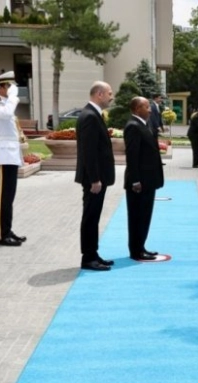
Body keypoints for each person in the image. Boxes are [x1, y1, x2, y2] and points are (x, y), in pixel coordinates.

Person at [75, 81, 116, 271]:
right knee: (90, 216)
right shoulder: (90, 116)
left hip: (97, 177)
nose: (111, 97)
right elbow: (88, 152)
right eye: (109, 93)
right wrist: (94, 179)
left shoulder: (93, 114)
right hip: (94, 179)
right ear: (99, 94)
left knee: (94, 216)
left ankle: (93, 253)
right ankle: (88, 257)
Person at [0, 72, 27, 247]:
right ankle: (1, 235)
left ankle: (7, 230)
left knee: (8, 198)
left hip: (9, 155)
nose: (12, 90)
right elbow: (6, 114)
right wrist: (13, 98)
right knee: (2, 198)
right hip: (2, 156)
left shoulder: (4, 104)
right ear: (0, 88)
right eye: (8, 86)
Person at [124, 97, 164, 261]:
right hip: (139, 182)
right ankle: (136, 251)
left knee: (144, 216)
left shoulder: (143, 124)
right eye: (147, 107)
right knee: (137, 217)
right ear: (138, 108)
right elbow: (132, 156)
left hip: (148, 181)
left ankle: (141, 246)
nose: (150, 110)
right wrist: (135, 180)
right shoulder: (133, 126)